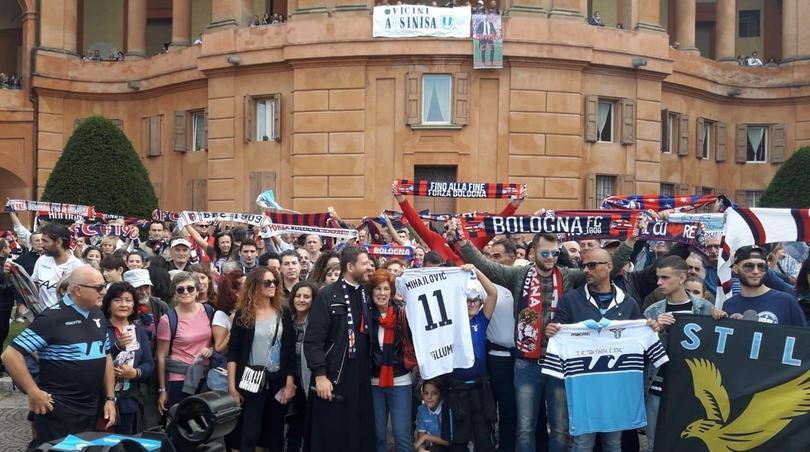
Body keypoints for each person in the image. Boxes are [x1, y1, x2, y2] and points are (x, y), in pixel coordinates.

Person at [456, 231, 630, 452]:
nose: (550, 257)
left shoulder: (568, 275)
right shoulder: (518, 275)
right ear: (533, 253)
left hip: (558, 363)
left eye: (555, 253)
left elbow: (608, 266)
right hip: (526, 364)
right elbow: (487, 266)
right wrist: (463, 242)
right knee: (525, 427)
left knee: (559, 428)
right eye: (545, 252)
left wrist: (631, 241)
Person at [546, 248, 652, 452]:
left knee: (613, 443)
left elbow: (640, 347)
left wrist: (650, 330)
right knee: (583, 443)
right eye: (583, 265)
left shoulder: (628, 303)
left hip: (615, 386)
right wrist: (552, 331)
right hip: (583, 387)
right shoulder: (570, 299)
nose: (586, 270)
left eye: (592, 265)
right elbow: (558, 335)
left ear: (609, 266)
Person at [2, 267, 116, 446]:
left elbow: (106, 355)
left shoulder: (97, 313)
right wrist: (33, 391)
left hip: (92, 407)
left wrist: (110, 398)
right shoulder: (52, 317)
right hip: (59, 410)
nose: (104, 291)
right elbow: (10, 354)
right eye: (99, 287)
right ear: (78, 290)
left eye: (104, 286)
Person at [304, 245, 376, 452]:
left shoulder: (366, 293)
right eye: (365, 264)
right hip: (334, 376)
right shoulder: (327, 295)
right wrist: (320, 375)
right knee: (332, 436)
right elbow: (313, 341)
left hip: (361, 377)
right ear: (350, 266)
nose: (369, 267)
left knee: (358, 434)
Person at [641, 256, 714, 452]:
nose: (659, 282)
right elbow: (642, 355)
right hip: (658, 385)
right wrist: (656, 331)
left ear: (682, 278)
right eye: (658, 277)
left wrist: (722, 318)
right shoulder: (652, 311)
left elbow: (713, 348)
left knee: (689, 443)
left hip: (691, 388)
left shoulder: (704, 308)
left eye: (665, 277)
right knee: (655, 443)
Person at [227, 268, 296, 452]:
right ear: (255, 285)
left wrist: (289, 384)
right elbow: (233, 352)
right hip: (250, 380)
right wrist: (232, 388)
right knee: (249, 434)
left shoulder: (283, 311)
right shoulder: (244, 313)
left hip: (277, 380)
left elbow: (289, 351)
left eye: (275, 281)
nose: (272, 285)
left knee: (275, 435)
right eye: (267, 282)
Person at [446, 264, 498, 452]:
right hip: (456, 389)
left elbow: (492, 293)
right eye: (468, 300)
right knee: (458, 441)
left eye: (476, 299)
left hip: (480, 388)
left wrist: (476, 271)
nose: (473, 303)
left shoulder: (481, 319)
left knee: (484, 439)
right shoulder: (449, 322)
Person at [367, 269, 415, 452]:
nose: (382, 293)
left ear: (392, 292)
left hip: (400, 379)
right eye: (378, 289)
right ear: (371, 292)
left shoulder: (403, 314)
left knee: (401, 434)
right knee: (378, 434)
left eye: (386, 289)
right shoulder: (365, 316)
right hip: (373, 381)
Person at [156, 272, 214, 416]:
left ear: (197, 290)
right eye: (180, 289)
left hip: (205, 376)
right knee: (182, 423)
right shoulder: (167, 319)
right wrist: (162, 390)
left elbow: (216, 340)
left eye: (190, 288)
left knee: (204, 425)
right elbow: (161, 356)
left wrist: (211, 349)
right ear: (175, 293)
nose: (186, 292)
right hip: (180, 378)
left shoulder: (208, 311)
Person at [103, 282, 155, 434]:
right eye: (118, 300)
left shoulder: (138, 330)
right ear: (109, 303)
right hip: (103, 398)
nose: (123, 304)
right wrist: (117, 347)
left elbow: (149, 363)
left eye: (128, 300)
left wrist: (136, 373)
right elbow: (97, 360)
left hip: (129, 398)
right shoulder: (101, 328)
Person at [121, 268, 169, 429]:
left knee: (151, 411)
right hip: (126, 369)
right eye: (138, 288)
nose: (143, 291)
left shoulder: (159, 305)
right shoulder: (123, 307)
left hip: (153, 367)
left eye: (146, 287)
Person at [717, 245, 806, 326]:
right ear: (736, 269)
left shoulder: (786, 302)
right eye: (748, 266)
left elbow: (803, 338)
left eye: (761, 266)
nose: (756, 271)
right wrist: (717, 319)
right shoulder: (729, 305)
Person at [287, 281, 318, 452]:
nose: (301, 300)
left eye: (306, 296)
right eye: (298, 296)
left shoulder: (316, 323)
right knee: (293, 427)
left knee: (308, 426)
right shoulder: (287, 321)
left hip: (310, 381)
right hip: (289, 381)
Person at [29, 223, 85, 309]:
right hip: (43, 317)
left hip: (66, 318)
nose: (41, 245)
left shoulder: (79, 268)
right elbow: (34, 284)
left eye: (45, 241)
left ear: (58, 242)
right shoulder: (41, 260)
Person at [414, 379, 452, 452]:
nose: (429, 397)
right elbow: (421, 438)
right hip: (436, 446)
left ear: (441, 394)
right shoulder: (421, 410)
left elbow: (448, 441)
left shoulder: (447, 408)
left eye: (434, 393)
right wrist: (421, 448)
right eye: (426, 393)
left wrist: (426, 437)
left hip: (453, 447)